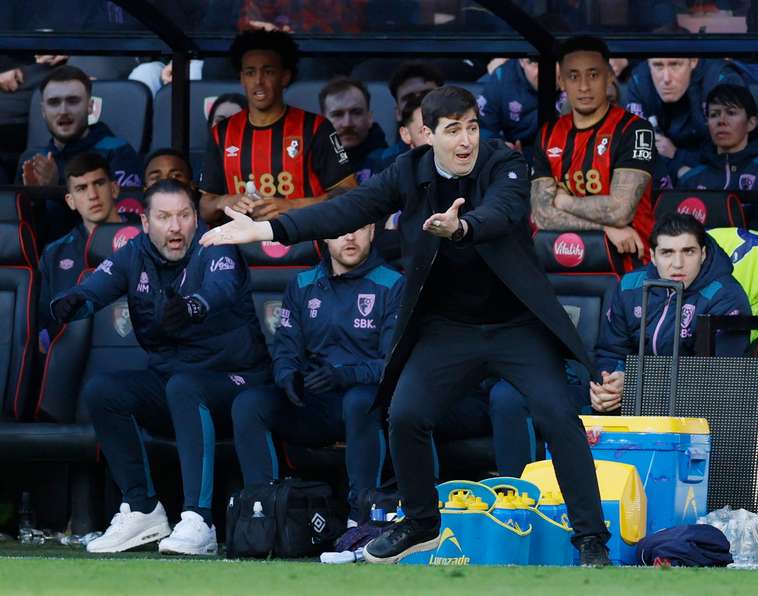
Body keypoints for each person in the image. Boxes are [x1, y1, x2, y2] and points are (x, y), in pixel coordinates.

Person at [200, 85, 613, 566]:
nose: (466, 141)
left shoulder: (505, 163)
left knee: (559, 417)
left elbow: (503, 212)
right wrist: (268, 229)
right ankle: (421, 524)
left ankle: (590, 540)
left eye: (473, 128)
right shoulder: (407, 171)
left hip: (514, 324)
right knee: (405, 415)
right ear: (428, 137)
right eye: (453, 130)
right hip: (448, 328)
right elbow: (347, 209)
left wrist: (461, 229)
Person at [51, 180, 270, 555]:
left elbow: (220, 287)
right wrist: (74, 302)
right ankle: (142, 509)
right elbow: (96, 288)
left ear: (195, 218)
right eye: (164, 217)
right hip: (174, 380)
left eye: (184, 215)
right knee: (104, 391)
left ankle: (199, 520)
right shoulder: (133, 253)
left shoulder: (217, 245)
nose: (175, 227)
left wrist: (192, 306)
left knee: (184, 386)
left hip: (238, 381)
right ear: (145, 221)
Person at [231, 222, 402, 523]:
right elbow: (285, 349)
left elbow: (393, 364)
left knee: (359, 401)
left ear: (373, 232)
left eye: (359, 228)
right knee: (250, 404)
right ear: (324, 233)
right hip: (317, 402)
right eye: (341, 228)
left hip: (368, 402)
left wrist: (346, 375)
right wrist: (288, 377)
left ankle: (361, 516)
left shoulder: (393, 284)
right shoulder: (302, 284)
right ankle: (263, 516)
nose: (349, 235)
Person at [592, 213, 752, 413]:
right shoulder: (630, 286)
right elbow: (610, 352)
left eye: (689, 251)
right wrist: (608, 386)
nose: (678, 263)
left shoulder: (726, 296)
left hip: (700, 417)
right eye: (667, 252)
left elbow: (721, 379)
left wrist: (634, 384)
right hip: (634, 408)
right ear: (652, 256)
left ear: (702, 254)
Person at [199, 30, 356, 226]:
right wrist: (225, 201)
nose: (258, 81)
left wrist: (292, 206)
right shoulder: (222, 133)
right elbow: (204, 207)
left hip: (306, 245)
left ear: (285, 77)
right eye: (250, 72)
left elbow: (349, 194)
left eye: (269, 72)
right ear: (241, 78)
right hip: (243, 250)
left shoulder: (316, 128)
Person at [531, 36, 656, 268]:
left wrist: (565, 202)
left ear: (609, 76)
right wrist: (605, 227)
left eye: (593, 75)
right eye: (573, 76)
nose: (584, 86)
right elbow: (541, 215)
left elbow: (621, 211)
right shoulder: (548, 134)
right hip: (563, 261)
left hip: (631, 264)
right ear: (561, 81)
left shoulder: (635, 130)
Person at [37, 152, 132, 349]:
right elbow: (42, 322)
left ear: (114, 188)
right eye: (81, 188)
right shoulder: (54, 254)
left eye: (99, 183)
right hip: (74, 357)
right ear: (70, 201)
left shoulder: (145, 237)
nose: (92, 195)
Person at [17, 65, 143, 188]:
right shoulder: (31, 160)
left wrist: (54, 189)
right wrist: (34, 198)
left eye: (73, 101)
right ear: (43, 111)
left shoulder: (118, 152)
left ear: (90, 107)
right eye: (54, 102)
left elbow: (125, 208)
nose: (63, 111)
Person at [624, 57, 746, 182]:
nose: (666, 79)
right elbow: (639, 150)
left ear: (693, 61)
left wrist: (679, 157)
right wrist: (677, 169)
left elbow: (735, 155)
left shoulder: (721, 80)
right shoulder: (639, 80)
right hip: (666, 174)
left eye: (674, 65)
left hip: (722, 176)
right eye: (658, 66)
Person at [677, 84, 758, 190]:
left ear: (751, 123)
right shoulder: (690, 180)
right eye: (714, 115)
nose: (721, 121)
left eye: (731, 113)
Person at [319, 76, 388, 182]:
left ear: (369, 118)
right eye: (337, 114)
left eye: (356, 113)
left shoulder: (390, 165)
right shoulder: (308, 165)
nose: (347, 123)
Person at [477, 57, 539, 154]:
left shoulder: (568, 78)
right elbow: (482, 127)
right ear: (522, 61)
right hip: (520, 150)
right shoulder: (502, 77)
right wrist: (500, 146)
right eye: (536, 62)